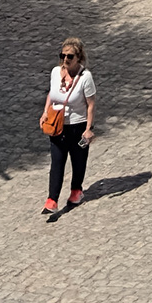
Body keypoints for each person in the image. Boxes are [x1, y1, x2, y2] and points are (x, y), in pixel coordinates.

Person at [42, 38, 96, 217]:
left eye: (70, 56)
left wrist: (88, 128)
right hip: (57, 126)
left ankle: (76, 191)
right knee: (57, 162)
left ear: (78, 57)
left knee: (78, 161)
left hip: (77, 126)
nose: (65, 59)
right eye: (63, 55)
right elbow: (51, 94)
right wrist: (45, 112)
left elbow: (90, 104)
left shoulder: (85, 77)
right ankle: (52, 200)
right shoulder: (55, 72)